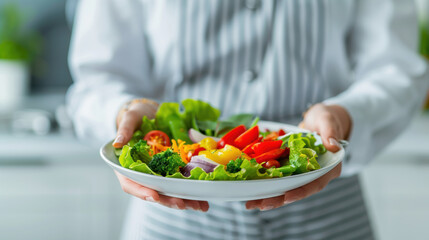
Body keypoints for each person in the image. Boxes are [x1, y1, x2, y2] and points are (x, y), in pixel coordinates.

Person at [67, 0, 428, 239]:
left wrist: (345, 115)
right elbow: (96, 81)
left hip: (327, 214)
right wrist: (123, 116)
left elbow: (396, 69)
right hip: (173, 219)